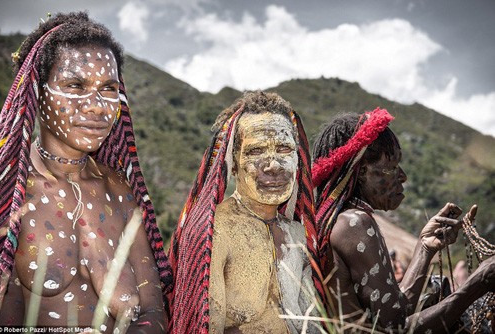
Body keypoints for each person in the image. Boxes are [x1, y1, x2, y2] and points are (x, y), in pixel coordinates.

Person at [0, 12, 172, 333]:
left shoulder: (120, 190)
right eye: (75, 85)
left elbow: (154, 311)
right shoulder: (7, 191)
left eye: (108, 88)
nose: (96, 105)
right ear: (37, 91)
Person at [310, 108, 495, 333]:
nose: (403, 176)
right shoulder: (354, 223)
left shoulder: (341, 221)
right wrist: (478, 283)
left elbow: (395, 311)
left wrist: (425, 248)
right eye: (391, 167)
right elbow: (396, 330)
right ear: (361, 172)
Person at [168, 91, 323, 333]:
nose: (273, 165)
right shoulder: (213, 232)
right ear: (234, 164)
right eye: (256, 151)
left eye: (284, 149)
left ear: (298, 159)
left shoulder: (299, 234)